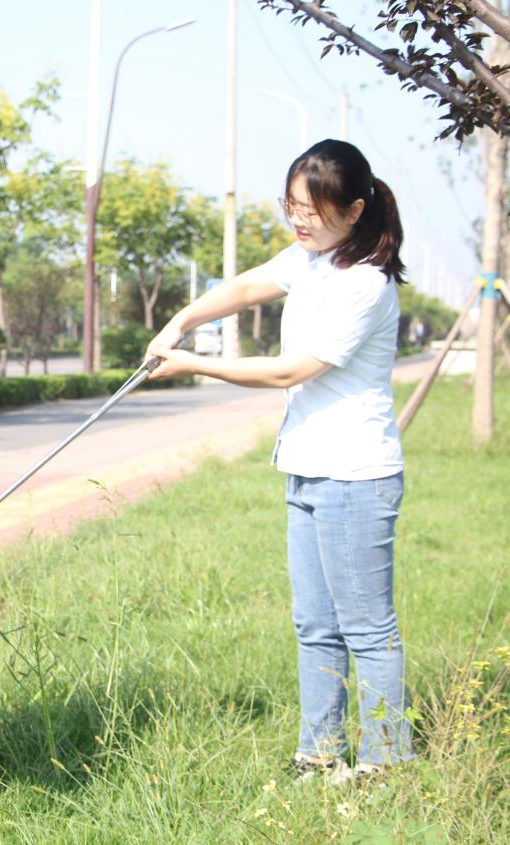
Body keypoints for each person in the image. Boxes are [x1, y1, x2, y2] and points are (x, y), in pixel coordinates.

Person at [146, 140, 413, 782]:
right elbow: (243, 288)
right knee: (315, 624)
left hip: (355, 474)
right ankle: (318, 756)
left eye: (313, 211)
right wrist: (180, 321)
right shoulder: (313, 259)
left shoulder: (365, 285)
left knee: (367, 629)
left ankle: (385, 763)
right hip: (306, 467)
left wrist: (192, 365)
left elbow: (291, 370)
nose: (300, 221)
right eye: (291, 207)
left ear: (354, 210)